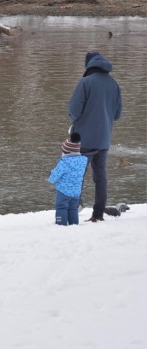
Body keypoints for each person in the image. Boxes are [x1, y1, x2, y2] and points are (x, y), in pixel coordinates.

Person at [68, 51, 122, 222]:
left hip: (84, 138)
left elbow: (74, 111)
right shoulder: (114, 84)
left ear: (89, 65)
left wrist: (77, 122)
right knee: (100, 176)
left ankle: (74, 208)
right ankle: (98, 214)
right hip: (104, 139)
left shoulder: (85, 82)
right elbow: (117, 114)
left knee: (76, 175)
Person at [49, 133, 88, 225]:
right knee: (73, 208)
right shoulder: (83, 161)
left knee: (61, 207)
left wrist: (51, 174)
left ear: (66, 152)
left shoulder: (64, 163)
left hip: (63, 191)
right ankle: (74, 224)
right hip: (76, 192)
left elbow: (53, 178)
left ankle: (61, 224)